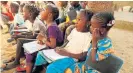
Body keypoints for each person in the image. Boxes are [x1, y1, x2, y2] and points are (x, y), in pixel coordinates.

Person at [0, 3, 46, 70]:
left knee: (20, 40)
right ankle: (18, 57)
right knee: (20, 38)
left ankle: (16, 61)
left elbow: (34, 37)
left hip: (42, 42)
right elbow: (31, 33)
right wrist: (20, 35)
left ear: (30, 14)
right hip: (38, 39)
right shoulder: (33, 21)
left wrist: (21, 37)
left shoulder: (37, 23)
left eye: (24, 12)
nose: (22, 13)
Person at [25, 4, 63, 73]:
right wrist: (42, 41)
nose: (41, 11)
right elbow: (49, 40)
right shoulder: (49, 24)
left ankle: (32, 70)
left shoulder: (52, 27)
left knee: (30, 54)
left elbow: (53, 45)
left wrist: (43, 39)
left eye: (44, 10)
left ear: (49, 15)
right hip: (50, 48)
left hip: (55, 51)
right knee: (29, 52)